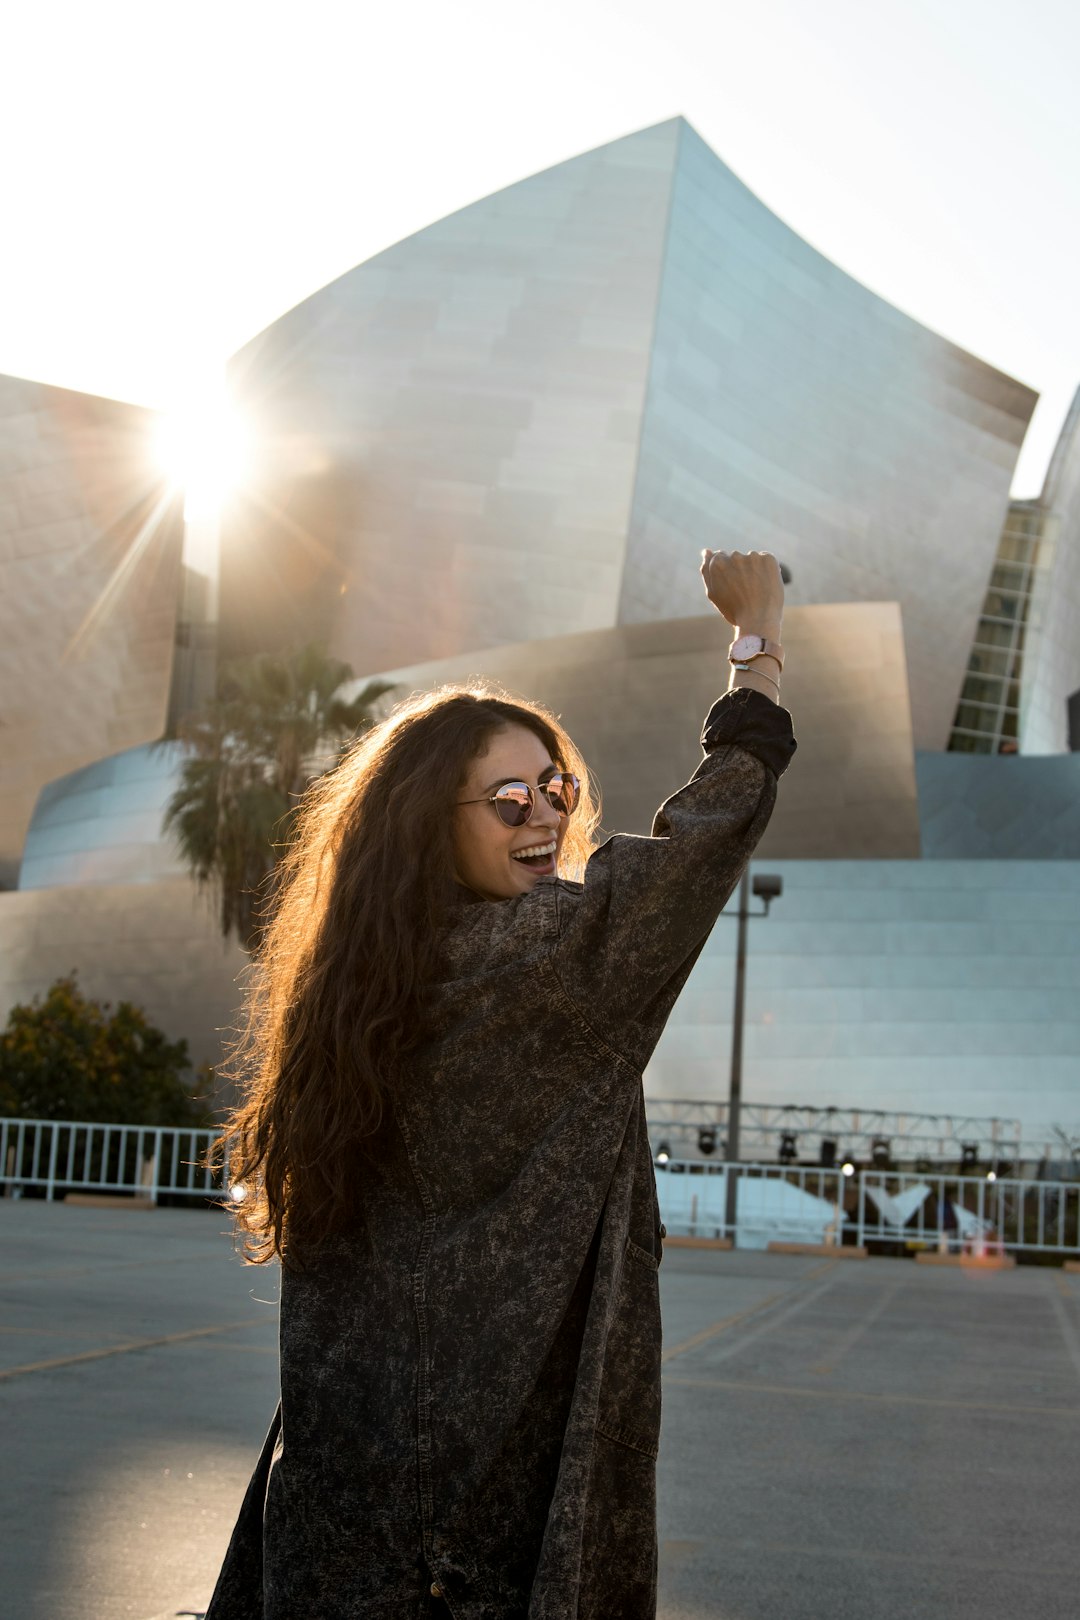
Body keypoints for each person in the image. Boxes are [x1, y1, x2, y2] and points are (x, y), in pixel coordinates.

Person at [204, 549, 796, 1620]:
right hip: (460, 1544)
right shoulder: (537, 964)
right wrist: (755, 640)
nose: (545, 816)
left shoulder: (354, 989)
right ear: (432, 822)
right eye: (509, 796)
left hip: (343, 1505)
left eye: (556, 788)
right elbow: (702, 843)